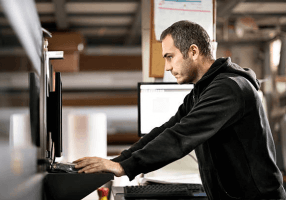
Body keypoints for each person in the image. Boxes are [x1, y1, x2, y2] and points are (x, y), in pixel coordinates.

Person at [73, 20, 286, 199]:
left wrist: (125, 167)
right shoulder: (201, 92)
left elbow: (180, 137)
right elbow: (168, 129)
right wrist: (118, 161)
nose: (167, 67)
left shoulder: (229, 88)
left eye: (169, 56)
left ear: (193, 51)